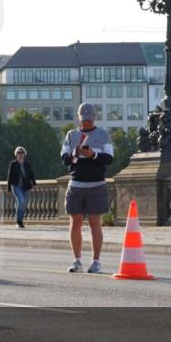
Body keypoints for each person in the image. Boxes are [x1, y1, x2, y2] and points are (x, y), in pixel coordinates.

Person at [61, 103, 114, 273]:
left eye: (89, 120)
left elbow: (109, 158)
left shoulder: (103, 135)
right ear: (79, 118)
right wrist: (75, 154)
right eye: (84, 121)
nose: (86, 124)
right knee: (75, 222)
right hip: (76, 184)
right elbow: (64, 158)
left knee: (94, 223)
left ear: (94, 118)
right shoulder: (72, 135)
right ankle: (77, 260)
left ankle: (96, 261)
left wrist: (93, 155)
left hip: (96, 184)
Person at [7, 146, 36, 228]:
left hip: (26, 186)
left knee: (23, 204)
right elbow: (9, 176)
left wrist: (34, 183)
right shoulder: (13, 164)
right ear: (16, 154)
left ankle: (20, 218)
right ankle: (19, 221)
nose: (20, 154)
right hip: (16, 186)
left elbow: (31, 174)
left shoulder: (27, 164)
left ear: (24, 154)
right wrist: (8, 188)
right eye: (19, 152)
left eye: (22, 152)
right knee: (21, 201)